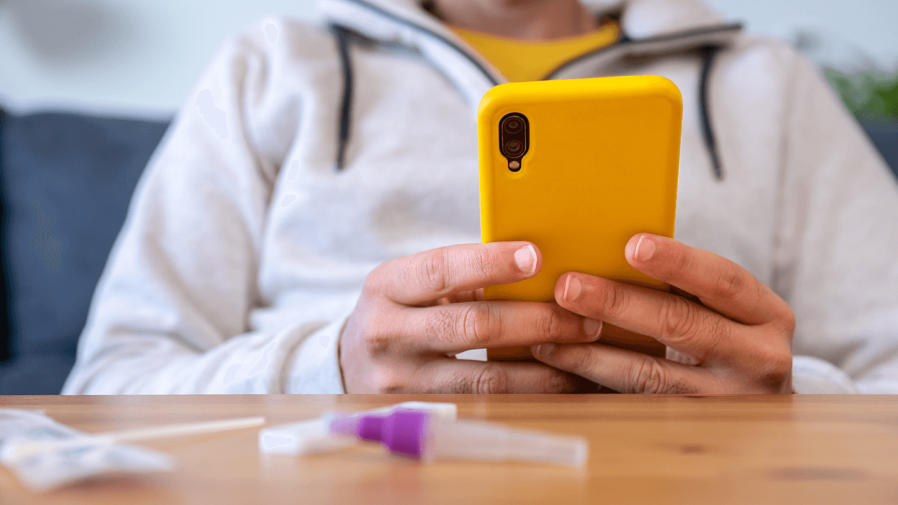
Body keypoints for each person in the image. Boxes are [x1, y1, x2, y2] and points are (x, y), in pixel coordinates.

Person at [62, 0, 898, 395]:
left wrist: (786, 395)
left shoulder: (769, 83)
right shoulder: (272, 65)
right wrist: (333, 366)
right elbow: (107, 386)